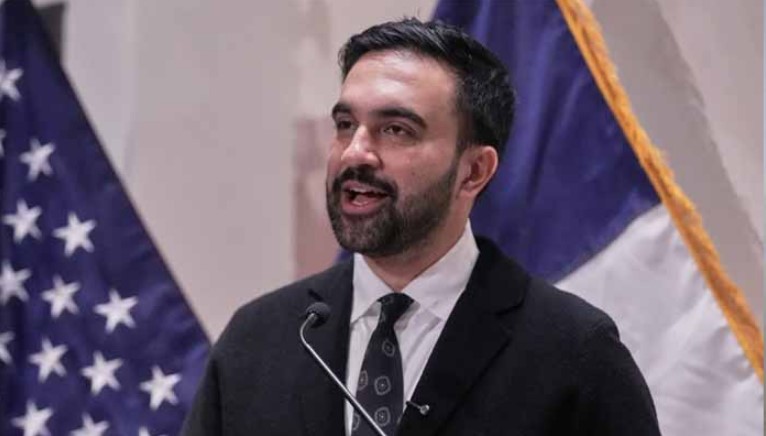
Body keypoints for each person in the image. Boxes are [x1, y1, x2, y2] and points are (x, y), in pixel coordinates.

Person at [182, 18, 661, 436]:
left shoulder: (575, 353)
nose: (354, 153)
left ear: (473, 171)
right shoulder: (260, 339)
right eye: (346, 124)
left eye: (396, 130)